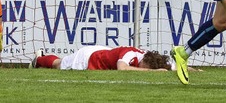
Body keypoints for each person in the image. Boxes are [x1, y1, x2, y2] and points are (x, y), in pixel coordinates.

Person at [30, 46, 171, 71]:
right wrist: (153, 72)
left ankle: (41, 58)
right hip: (89, 58)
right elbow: (122, 69)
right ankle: (38, 60)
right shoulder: (130, 54)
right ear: (144, 62)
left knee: (61, 62)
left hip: (102, 53)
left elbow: (175, 66)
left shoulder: (149, 57)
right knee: (58, 65)